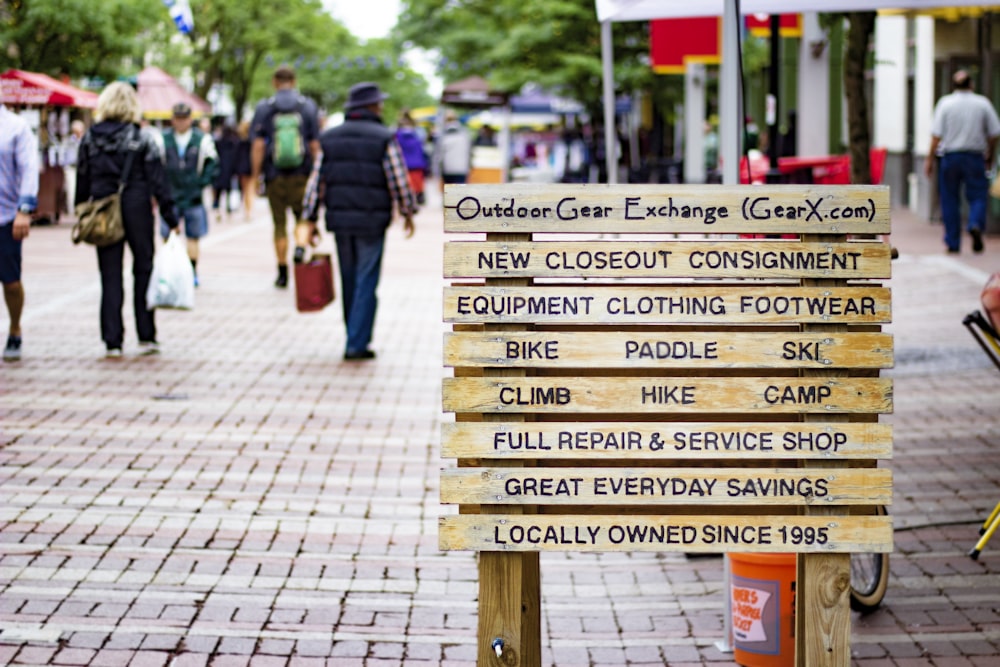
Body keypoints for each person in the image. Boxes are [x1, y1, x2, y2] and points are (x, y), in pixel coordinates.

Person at [301, 81, 415, 361]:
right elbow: (398, 178)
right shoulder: (383, 137)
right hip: (372, 221)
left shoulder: (330, 137)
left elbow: (317, 181)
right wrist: (408, 210)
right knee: (366, 280)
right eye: (380, 102)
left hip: (340, 220)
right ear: (372, 106)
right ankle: (357, 342)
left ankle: (353, 335)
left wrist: (310, 217)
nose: (383, 106)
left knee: (349, 279)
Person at [75, 81, 180, 358]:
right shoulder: (143, 138)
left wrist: (82, 209)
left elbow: (82, 178)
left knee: (109, 275)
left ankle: (112, 339)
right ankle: (146, 334)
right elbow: (159, 181)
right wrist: (171, 216)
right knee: (142, 269)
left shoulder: (89, 137)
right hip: (136, 207)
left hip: (103, 209)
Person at [250, 65, 321, 288]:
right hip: (302, 174)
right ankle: (300, 247)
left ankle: (282, 271)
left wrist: (256, 175)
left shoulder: (264, 108)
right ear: (294, 80)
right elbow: (314, 144)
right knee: (303, 216)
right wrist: (318, 174)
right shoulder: (307, 107)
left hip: (274, 175)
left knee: (279, 224)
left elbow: (258, 146)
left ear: (274, 81)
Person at [924, 70, 1000, 254]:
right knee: (978, 195)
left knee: (949, 198)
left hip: (950, 157)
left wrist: (930, 160)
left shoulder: (945, 103)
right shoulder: (982, 104)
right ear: (971, 84)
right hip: (975, 156)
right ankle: (975, 223)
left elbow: (936, 135)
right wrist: (990, 153)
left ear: (954, 85)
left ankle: (953, 242)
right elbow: (995, 132)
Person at [160, 103, 218, 287]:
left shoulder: (202, 140)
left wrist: (200, 183)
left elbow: (213, 164)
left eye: (184, 118)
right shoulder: (163, 139)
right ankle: (169, 271)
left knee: (193, 237)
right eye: (178, 118)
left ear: (190, 119)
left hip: (193, 196)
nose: (181, 121)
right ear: (173, 119)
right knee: (168, 236)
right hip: (169, 196)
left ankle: (192, 271)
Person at [1, 102, 39, 362]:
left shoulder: (16, 127)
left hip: (6, 216)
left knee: (11, 282)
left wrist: (24, 209)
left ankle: (15, 327)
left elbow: (28, 168)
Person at [395, 109, 428, 205]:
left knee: (405, 189)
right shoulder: (418, 133)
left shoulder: (396, 135)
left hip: (403, 164)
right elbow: (423, 150)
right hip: (417, 164)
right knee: (416, 188)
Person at [435, 110, 472, 186]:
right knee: (461, 195)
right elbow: (469, 151)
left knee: (449, 195)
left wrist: (438, 170)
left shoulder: (443, 134)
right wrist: (469, 166)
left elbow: (439, 155)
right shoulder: (464, 133)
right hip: (462, 169)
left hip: (447, 169)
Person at [212, 124, 239, 223]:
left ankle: (217, 209)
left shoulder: (218, 143)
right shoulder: (233, 143)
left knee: (218, 192)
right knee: (228, 192)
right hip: (228, 171)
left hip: (219, 170)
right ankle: (228, 210)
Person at [62, 119, 86, 216]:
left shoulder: (84, 140)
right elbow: (63, 154)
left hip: (81, 168)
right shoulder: (69, 141)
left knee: (80, 188)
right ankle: (72, 210)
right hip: (71, 167)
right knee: (71, 189)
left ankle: (80, 208)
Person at [235, 120, 254, 221]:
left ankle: (247, 210)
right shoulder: (252, 140)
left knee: (244, 189)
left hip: (241, 167)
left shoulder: (239, 141)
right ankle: (248, 210)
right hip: (250, 166)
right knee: (250, 189)